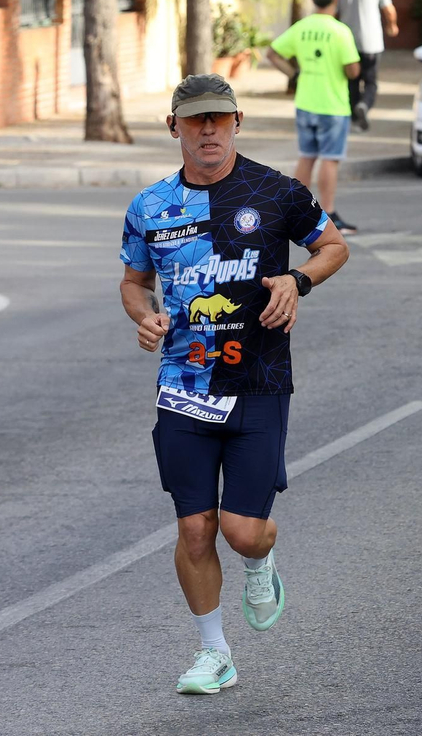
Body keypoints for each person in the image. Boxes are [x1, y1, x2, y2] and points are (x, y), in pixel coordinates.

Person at [119, 73, 350, 694]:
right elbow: (134, 281)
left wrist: (296, 282)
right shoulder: (150, 207)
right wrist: (145, 317)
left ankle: (261, 557)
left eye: (218, 119)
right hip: (184, 382)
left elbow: (332, 247)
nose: (208, 130)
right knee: (195, 526)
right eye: (195, 121)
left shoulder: (276, 193)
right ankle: (213, 650)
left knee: (241, 530)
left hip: (259, 379)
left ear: (237, 122)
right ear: (175, 128)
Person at [264, 0, 362, 235]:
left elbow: (272, 53)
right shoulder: (340, 31)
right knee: (330, 159)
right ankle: (328, 212)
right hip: (333, 104)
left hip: (305, 101)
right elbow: (352, 70)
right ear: (335, 0)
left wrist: (293, 73)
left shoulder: (301, 27)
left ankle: (295, 208)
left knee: (307, 156)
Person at [334, 0, 398, 132]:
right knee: (371, 80)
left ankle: (355, 118)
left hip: (346, 42)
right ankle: (365, 105)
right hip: (372, 41)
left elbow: (335, 11)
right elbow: (389, 8)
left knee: (351, 81)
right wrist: (392, 25)